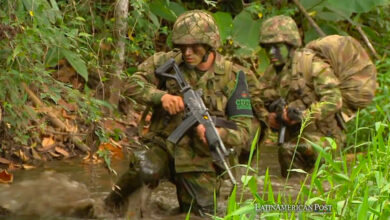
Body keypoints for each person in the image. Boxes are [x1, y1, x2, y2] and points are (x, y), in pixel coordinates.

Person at [104, 10, 255, 216]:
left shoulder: (234, 77)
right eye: (182, 47)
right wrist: (161, 97)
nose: (187, 52)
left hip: (201, 159)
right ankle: (111, 204)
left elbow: (245, 128)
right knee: (145, 169)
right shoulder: (166, 61)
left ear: (210, 45)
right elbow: (132, 84)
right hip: (164, 144)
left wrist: (220, 134)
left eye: (194, 46)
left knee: (199, 214)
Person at [257, 15, 346, 177]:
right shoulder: (272, 72)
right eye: (267, 47)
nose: (271, 52)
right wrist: (270, 117)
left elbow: (334, 99)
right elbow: (257, 97)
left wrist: (302, 116)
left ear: (290, 46)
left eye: (277, 47)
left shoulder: (312, 65)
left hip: (325, 137)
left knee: (290, 151)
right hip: (294, 136)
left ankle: (298, 195)